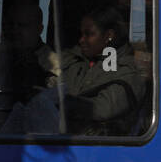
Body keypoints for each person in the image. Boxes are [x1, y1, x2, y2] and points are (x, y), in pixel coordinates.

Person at [58, 7, 144, 136]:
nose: (81, 40)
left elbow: (103, 109)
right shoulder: (74, 60)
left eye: (89, 34)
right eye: (81, 34)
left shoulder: (128, 70)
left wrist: (63, 102)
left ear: (109, 36)